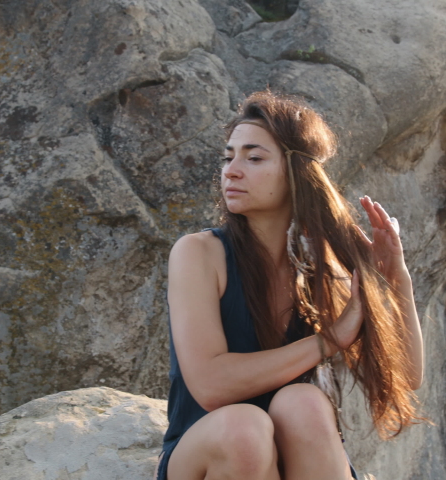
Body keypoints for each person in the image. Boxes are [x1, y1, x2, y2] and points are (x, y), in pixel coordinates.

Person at [157, 91, 424, 480]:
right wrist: (328, 341)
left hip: (295, 460)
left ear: (296, 173)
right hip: (210, 450)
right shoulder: (199, 253)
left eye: (253, 158)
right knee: (245, 430)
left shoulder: (321, 268)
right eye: (228, 157)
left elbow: (408, 374)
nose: (231, 171)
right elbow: (211, 386)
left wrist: (395, 277)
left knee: (304, 402)